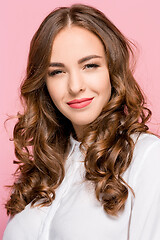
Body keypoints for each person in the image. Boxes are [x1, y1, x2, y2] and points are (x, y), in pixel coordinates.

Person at [3, 3, 160, 240]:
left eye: (90, 65)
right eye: (57, 71)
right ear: (43, 82)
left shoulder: (147, 157)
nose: (75, 86)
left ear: (112, 70)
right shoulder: (42, 171)